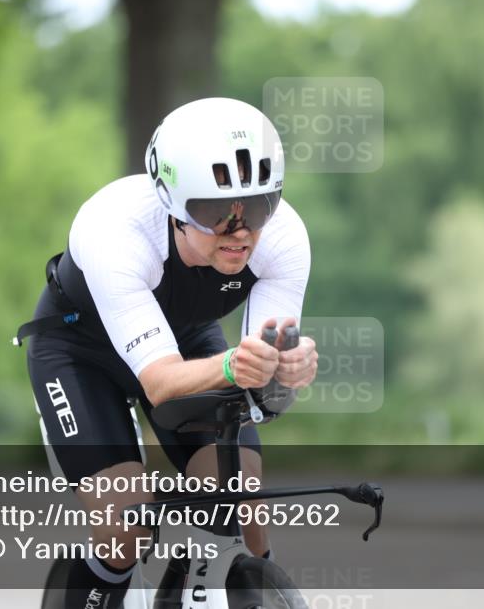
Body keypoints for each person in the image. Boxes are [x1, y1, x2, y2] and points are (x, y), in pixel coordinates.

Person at [18, 97, 318, 609]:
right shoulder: (116, 230)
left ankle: (196, 585)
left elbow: (264, 395)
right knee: (125, 528)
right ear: (172, 205)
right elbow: (159, 381)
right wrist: (232, 366)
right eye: (215, 213)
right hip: (80, 353)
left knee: (241, 508)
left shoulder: (284, 238)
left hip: (185, 340)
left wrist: (286, 371)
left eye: (258, 207)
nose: (239, 231)